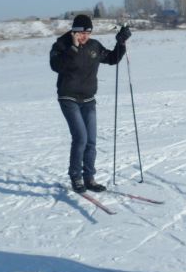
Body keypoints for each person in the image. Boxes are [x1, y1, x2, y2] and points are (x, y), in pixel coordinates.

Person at [49, 14, 131, 193]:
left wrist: (121, 42)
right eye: (80, 32)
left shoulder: (94, 46)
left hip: (88, 99)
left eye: (87, 32)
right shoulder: (61, 46)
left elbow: (112, 59)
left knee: (91, 141)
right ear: (73, 31)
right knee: (81, 138)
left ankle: (89, 178)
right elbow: (56, 66)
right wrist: (74, 48)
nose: (84, 36)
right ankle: (75, 177)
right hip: (68, 97)